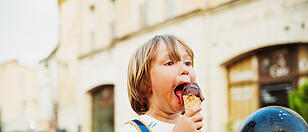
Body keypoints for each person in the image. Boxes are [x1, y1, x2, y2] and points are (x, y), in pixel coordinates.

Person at [119, 34, 204, 132]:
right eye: (170, 63)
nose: (185, 69)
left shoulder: (192, 126)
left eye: (187, 63)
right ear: (145, 84)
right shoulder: (132, 129)